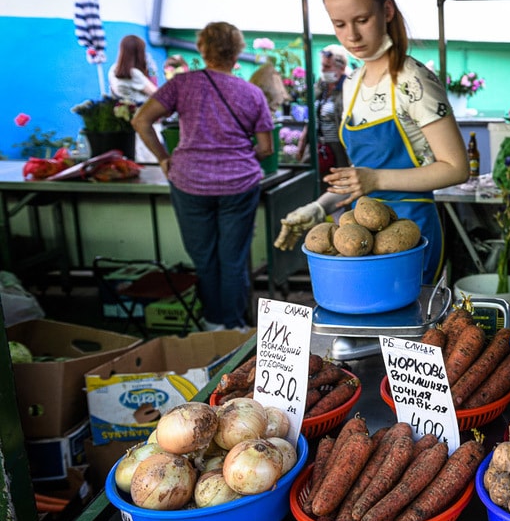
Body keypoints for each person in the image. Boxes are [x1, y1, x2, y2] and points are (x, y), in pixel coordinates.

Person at [274, 0, 468, 284]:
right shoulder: (351, 85)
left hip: (412, 234)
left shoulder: (413, 81)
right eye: (339, 24)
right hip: (362, 240)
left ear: (387, 11)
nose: (351, 35)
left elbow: (456, 168)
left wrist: (376, 180)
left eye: (362, 19)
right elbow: (358, 179)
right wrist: (318, 208)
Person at [131, 21, 274, 330]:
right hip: (238, 185)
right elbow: (265, 147)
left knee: (206, 260)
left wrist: (164, 159)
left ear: (201, 49)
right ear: (238, 52)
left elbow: (141, 121)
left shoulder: (181, 85)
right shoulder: (251, 93)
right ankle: (234, 327)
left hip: (190, 183)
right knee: (233, 260)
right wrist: (240, 156)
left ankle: (212, 324)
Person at [297, 44, 351, 175]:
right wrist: (302, 143)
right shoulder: (320, 87)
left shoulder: (348, 89)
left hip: (338, 149)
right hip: (317, 146)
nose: (323, 70)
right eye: (322, 65)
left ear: (342, 68)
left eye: (327, 66)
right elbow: (311, 118)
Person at [109, 35, 158, 104]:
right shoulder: (134, 74)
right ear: (139, 53)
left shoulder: (113, 70)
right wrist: (153, 71)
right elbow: (158, 95)